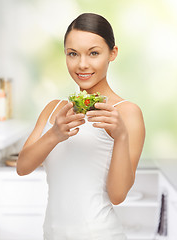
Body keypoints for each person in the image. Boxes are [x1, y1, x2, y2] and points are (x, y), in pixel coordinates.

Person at [17, 13, 145, 240]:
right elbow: (23, 167)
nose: (82, 64)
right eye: (73, 54)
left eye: (94, 53)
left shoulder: (127, 112)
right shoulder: (54, 109)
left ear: (112, 53)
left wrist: (121, 136)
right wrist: (55, 134)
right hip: (52, 234)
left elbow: (117, 195)